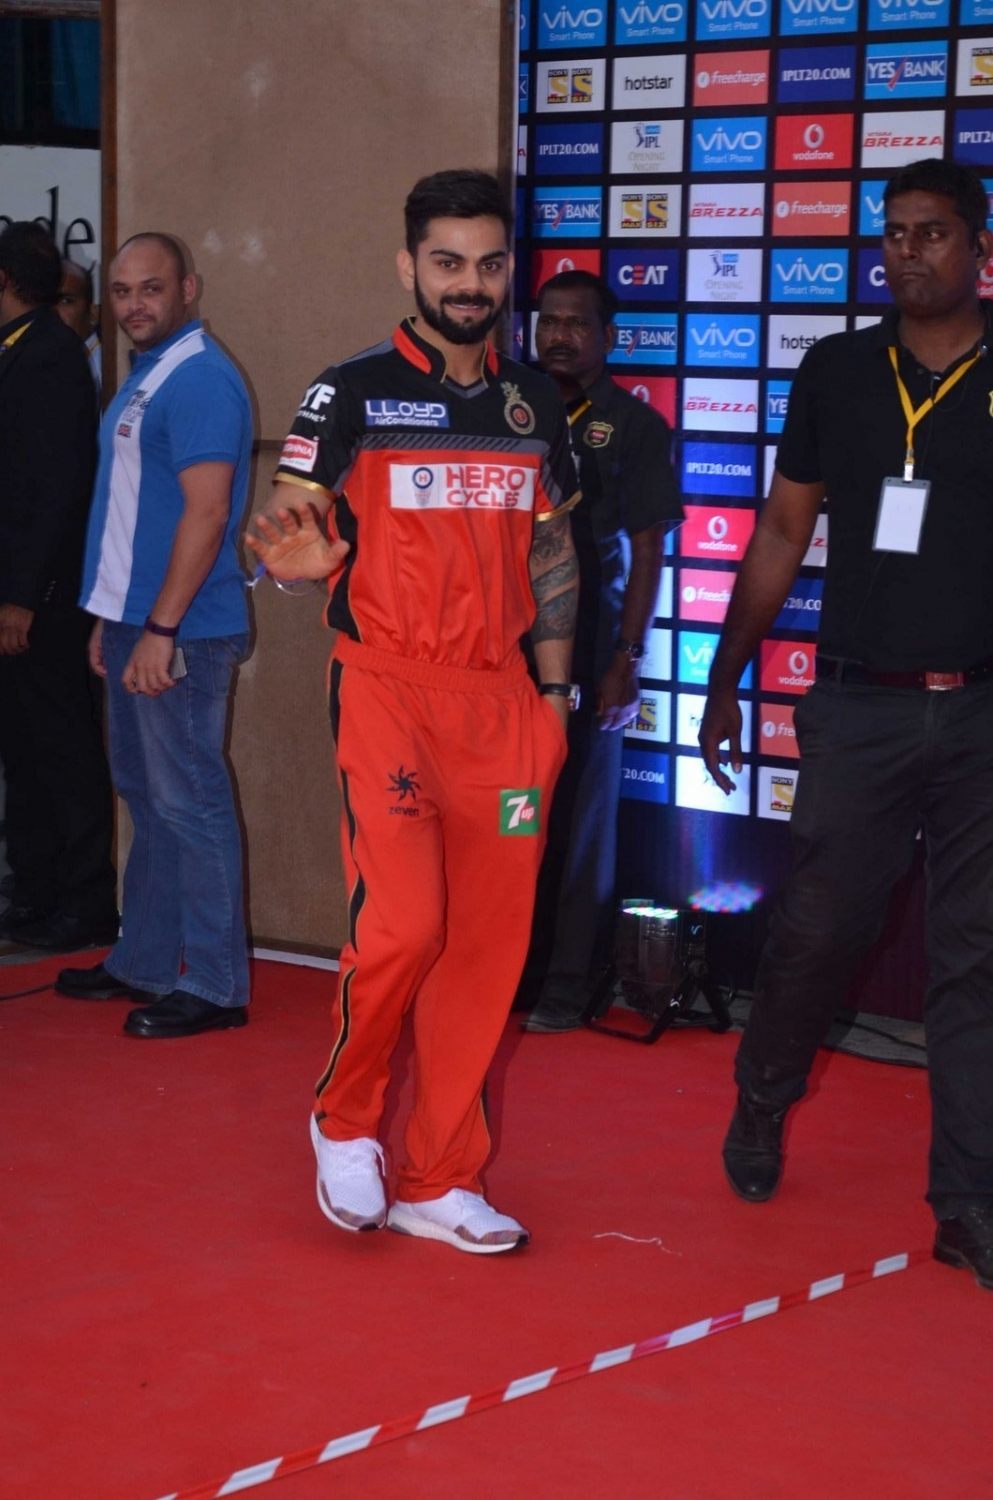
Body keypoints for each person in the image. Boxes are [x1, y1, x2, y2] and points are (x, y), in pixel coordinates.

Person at [246, 169, 579, 1253]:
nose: (469, 284)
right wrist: (293, 562)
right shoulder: (347, 392)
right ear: (409, 267)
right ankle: (344, 1121)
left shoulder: (536, 406)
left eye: (488, 264)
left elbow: (553, 554)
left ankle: (441, 1179)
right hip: (389, 687)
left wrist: (555, 699)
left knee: (486, 949)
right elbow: (286, 521)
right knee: (403, 930)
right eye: (447, 263)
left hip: (507, 710)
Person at [699, 158, 993, 1294]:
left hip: (983, 712)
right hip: (860, 704)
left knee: (976, 962)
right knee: (818, 935)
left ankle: (965, 1201)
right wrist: (726, 674)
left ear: (979, 249)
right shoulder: (835, 369)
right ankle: (762, 1098)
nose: (908, 251)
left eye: (933, 232)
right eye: (895, 232)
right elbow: (782, 530)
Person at [55, 232, 253, 1039]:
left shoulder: (199, 376)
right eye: (122, 291)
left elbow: (207, 513)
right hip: (136, 625)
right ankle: (143, 958)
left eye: (152, 288)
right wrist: (113, 619)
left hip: (183, 633)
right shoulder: (149, 373)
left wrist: (161, 629)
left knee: (190, 802)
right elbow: (134, 514)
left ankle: (214, 985)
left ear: (188, 289)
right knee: (149, 798)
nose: (135, 304)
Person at [520, 270, 682, 1033]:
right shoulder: (510, 410)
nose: (558, 335)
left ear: (607, 337)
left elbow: (648, 549)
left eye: (575, 323)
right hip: (509, 647)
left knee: (582, 823)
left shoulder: (634, 424)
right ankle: (514, 969)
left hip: (591, 651)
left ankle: (567, 982)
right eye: (548, 321)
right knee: (514, 810)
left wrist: (626, 656)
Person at [0, 221, 117, 950]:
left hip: (42, 599)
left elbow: (52, 492)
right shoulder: (22, 348)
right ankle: (35, 889)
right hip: (21, 593)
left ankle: (84, 902)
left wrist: (22, 596)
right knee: (23, 747)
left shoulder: (47, 354)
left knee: (61, 745)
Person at [55, 259, 101, 394]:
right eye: (45, 301)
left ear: (93, 314)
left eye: (65, 301)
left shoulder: (107, 373)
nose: (53, 311)